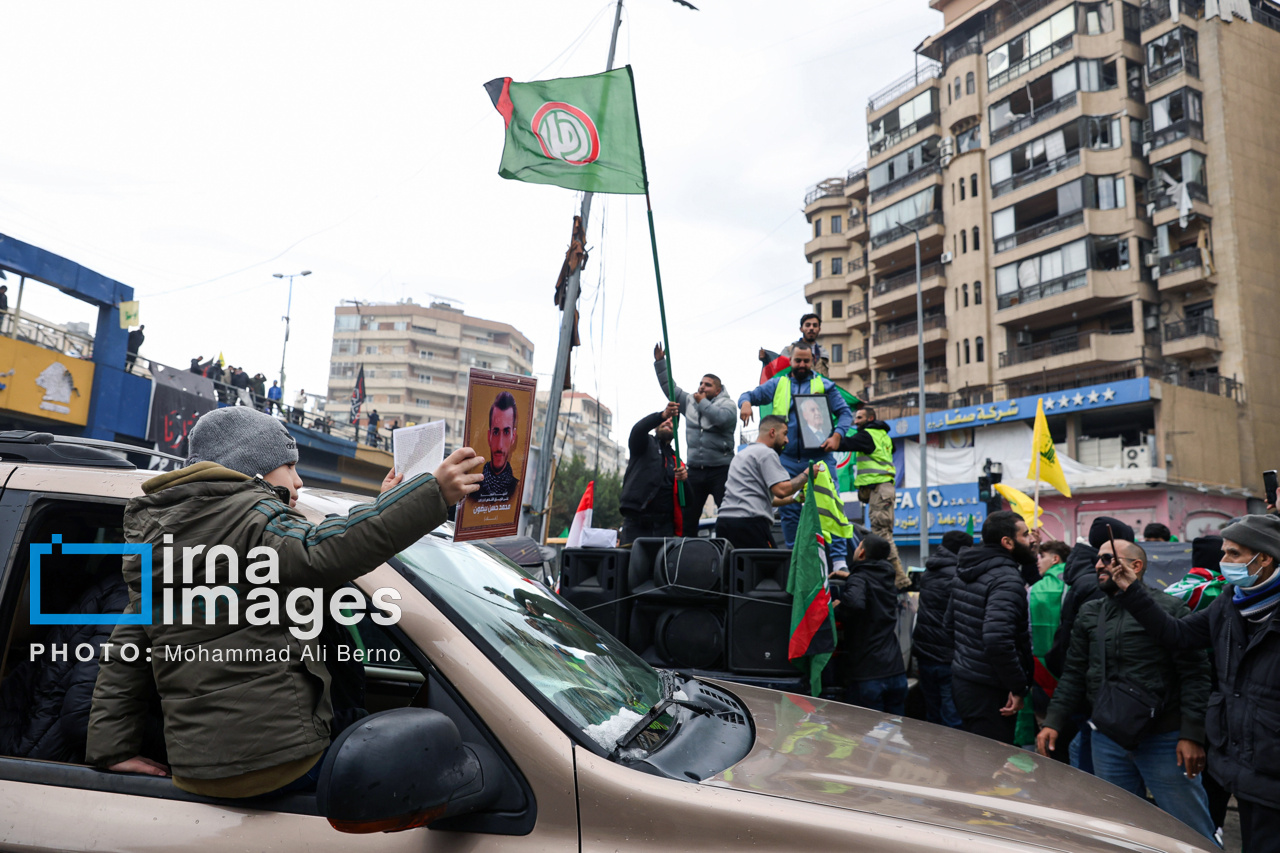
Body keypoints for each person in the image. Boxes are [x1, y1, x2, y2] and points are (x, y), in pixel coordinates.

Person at [85, 406, 485, 796]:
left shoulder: (163, 537)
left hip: (198, 769)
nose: (298, 482)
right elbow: (328, 550)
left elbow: (126, 655)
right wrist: (431, 492)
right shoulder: (252, 518)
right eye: (289, 466)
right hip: (276, 764)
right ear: (251, 468)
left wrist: (112, 750)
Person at [1106, 514, 1280, 849]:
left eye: (1233, 554)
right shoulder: (1230, 601)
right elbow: (1179, 634)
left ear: (1265, 557)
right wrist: (1132, 590)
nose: (1223, 561)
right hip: (1238, 760)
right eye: (1224, 552)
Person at [1036, 539, 1215, 841]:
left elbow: (1196, 674)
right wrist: (1053, 721)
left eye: (1108, 559)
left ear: (1136, 567)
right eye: (1098, 559)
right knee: (1119, 828)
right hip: (1108, 738)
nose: (1098, 565)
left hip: (1164, 740)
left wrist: (1191, 735)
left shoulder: (1170, 609)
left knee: (1190, 831)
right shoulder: (1091, 612)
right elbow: (1074, 673)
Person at [738, 345, 852, 571]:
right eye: (797, 361)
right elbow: (748, 395)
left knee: (831, 505)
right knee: (789, 511)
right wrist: (746, 403)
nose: (801, 365)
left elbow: (845, 413)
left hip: (820, 457)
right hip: (786, 458)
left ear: (813, 361)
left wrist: (838, 435)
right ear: (790, 361)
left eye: (806, 361)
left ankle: (839, 562)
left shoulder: (824, 384)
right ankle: (793, 558)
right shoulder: (778, 383)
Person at [947, 510, 1034, 745]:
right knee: (988, 769)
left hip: (966, 682)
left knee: (974, 761)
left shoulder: (966, 570)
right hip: (990, 691)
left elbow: (949, 625)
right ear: (1007, 542)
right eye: (1026, 535)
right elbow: (997, 640)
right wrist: (1017, 687)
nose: (1033, 539)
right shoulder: (1006, 579)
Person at [653, 344, 737, 533]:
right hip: (695, 471)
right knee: (688, 516)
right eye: (701, 383)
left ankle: (728, 550)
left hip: (721, 470)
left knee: (728, 514)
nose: (701, 387)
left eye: (708, 385)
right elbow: (670, 389)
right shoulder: (690, 401)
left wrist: (702, 403)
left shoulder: (728, 405)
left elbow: (721, 419)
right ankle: (686, 552)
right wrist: (660, 363)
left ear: (718, 390)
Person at [833, 535, 907, 714]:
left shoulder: (859, 578)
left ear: (862, 553)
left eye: (858, 546)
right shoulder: (888, 579)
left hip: (868, 674)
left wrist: (837, 607)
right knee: (894, 734)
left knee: (868, 737)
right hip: (895, 671)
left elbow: (855, 603)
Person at [839, 406, 908, 590]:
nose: (856, 421)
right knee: (882, 533)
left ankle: (900, 580)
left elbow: (845, 444)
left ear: (870, 418)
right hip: (883, 489)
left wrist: (832, 435)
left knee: (881, 535)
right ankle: (892, 577)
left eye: (859, 418)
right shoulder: (883, 435)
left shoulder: (867, 435)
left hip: (881, 489)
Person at [714, 414, 807, 549]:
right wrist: (807, 474)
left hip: (724, 523)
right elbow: (781, 490)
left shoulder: (741, 455)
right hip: (749, 524)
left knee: (732, 569)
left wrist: (794, 499)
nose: (787, 440)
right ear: (772, 432)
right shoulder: (766, 453)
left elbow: (766, 498)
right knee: (770, 568)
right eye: (785, 434)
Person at [1016, 539, 1072, 754]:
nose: (1038, 562)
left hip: (1041, 670)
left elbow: (1026, 632)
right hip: (1070, 671)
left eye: (1042, 557)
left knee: (1045, 727)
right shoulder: (1075, 584)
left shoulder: (1035, 590)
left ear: (1055, 559)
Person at [913, 529, 970, 728]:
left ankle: (932, 755)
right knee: (951, 717)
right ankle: (950, 758)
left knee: (932, 714)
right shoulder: (960, 575)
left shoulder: (929, 571)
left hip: (925, 653)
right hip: (949, 655)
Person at [619, 402, 688, 544]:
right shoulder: (644, 445)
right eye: (666, 419)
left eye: (673, 421)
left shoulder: (677, 461)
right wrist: (661, 415)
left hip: (664, 528)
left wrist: (685, 480)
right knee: (634, 564)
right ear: (656, 425)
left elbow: (687, 500)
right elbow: (638, 430)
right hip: (637, 524)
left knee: (661, 566)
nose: (668, 421)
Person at [476, 392, 521, 503]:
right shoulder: (472, 490)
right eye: (496, 432)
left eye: (506, 432)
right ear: (489, 436)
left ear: (513, 437)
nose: (500, 445)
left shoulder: (517, 491)